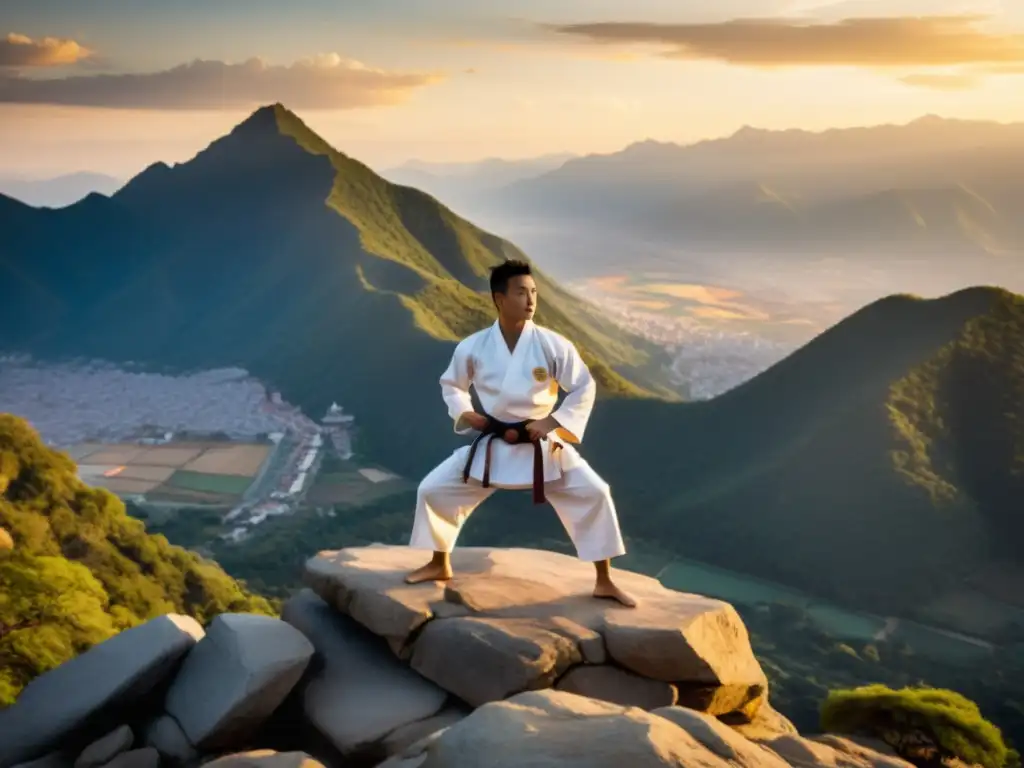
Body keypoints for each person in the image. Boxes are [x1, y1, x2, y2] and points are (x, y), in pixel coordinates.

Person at [404, 259, 636, 607]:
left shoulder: (553, 345)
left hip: (542, 446)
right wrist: (466, 412)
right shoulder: (474, 346)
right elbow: (452, 384)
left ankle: (604, 579)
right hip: (494, 444)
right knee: (433, 489)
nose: (531, 300)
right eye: (521, 293)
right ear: (499, 298)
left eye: (534, 292)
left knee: (595, 493)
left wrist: (553, 422)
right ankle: (440, 563)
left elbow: (584, 387)